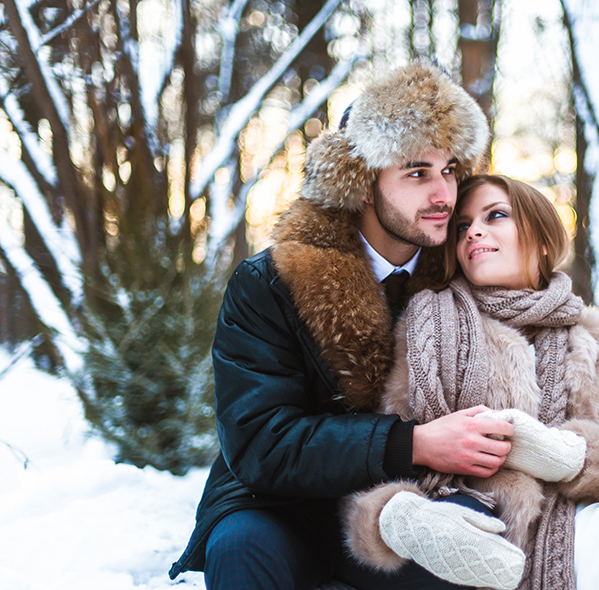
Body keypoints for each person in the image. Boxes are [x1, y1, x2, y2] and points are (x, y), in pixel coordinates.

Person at [168, 61, 521, 590]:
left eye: (449, 170)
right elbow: (262, 442)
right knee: (241, 550)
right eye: (416, 172)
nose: (444, 194)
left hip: (409, 509)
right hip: (281, 506)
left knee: (475, 564)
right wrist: (413, 443)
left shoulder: (463, 272)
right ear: (360, 182)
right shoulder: (270, 282)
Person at [340, 174, 599, 590]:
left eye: (495, 215)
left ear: (541, 239)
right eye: (463, 226)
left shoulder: (592, 334)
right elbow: (387, 451)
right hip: (464, 539)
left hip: (588, 539)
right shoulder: (429, 326)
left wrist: (570, 455)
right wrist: (399, 520)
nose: (474, 232)